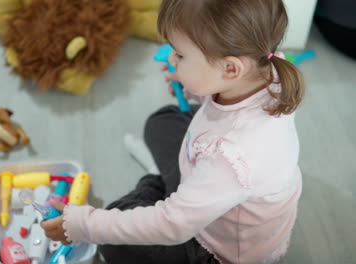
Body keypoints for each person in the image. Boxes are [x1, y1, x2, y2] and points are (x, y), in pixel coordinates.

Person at [41, 0, 305, 263]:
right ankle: (174, 187)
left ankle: (157, 181)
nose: (170, 58)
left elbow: (172, 226)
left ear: (230, 69)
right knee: (163, 121)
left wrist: (84, 225)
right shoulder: (262, 67)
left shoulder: (234, 155)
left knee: (113, 240)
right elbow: (230, 113)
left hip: (217, 249)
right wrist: (199, 88)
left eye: (180, 54)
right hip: (212, 183)